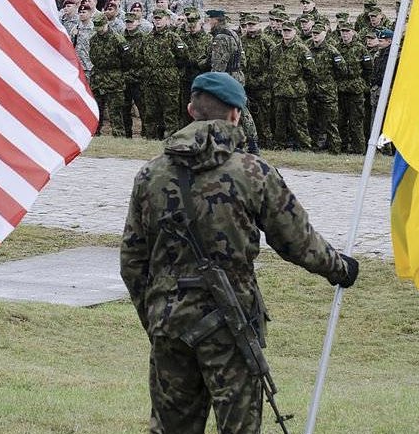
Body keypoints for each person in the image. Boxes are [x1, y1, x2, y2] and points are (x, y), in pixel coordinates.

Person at [120, 72, 358, 434]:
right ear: (236, 115)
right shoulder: (254, 172)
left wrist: (155, 313)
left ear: (191, 110)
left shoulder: (150, 174)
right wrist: (340, 268)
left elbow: (132, 260)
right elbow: (298, 241)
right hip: (229, 321)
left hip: (169, 320)